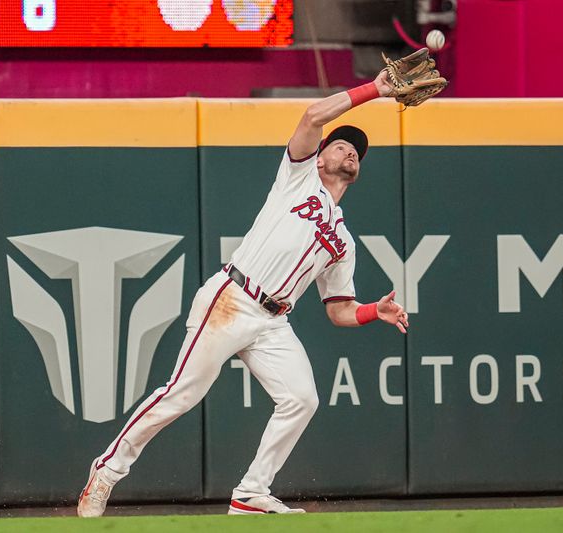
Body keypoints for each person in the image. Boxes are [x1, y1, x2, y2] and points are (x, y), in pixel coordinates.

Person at [77, 68, 410, 517]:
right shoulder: (298, 179)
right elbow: (313, 115)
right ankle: (107, 470)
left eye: (357, 151)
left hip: (274, 320)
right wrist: (374, 91)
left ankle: (251, 492)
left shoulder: (345, 241)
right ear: (319, 158)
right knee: (181, 394)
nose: (350, 150)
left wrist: (374, 311)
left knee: (302, 399)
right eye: (341, 144)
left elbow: (339, 310)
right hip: (233, 299)